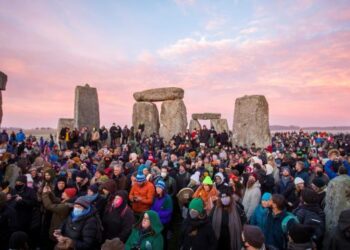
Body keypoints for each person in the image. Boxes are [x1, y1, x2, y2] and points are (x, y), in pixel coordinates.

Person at [151, 179, 173, 248]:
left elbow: (169, 211)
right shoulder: (156, 197)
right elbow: (152, 207)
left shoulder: (167, 198)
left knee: (163, 238)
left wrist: (157, 214)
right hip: (155, 221)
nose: (157, 189)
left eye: (159, 187)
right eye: (157, 187)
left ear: (163, 189)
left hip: (164, 222)